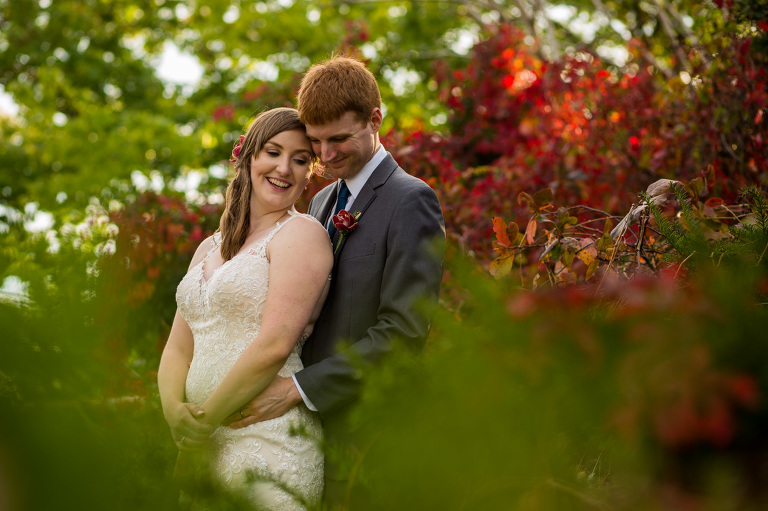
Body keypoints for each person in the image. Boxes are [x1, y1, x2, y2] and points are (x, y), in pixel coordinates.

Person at [225, 56, 445, 505]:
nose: (325, 155)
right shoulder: (322, 200)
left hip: (369, 439)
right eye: (317, 141)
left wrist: (298, 389)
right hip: (304, 437)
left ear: (375, 120)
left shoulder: (412, 200)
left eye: (340, 138)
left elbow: (404, 332)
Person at [157, 107, 334, 510]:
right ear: (249, 155)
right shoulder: (208, 247)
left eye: (300, 159)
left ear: (310, 173)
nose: (284, 168)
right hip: (203, 445)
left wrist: (202, 424)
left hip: (268, 438)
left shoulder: (301, 235)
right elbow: (178, 348)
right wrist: (176, 416)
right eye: (273, 152)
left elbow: (273, 345)